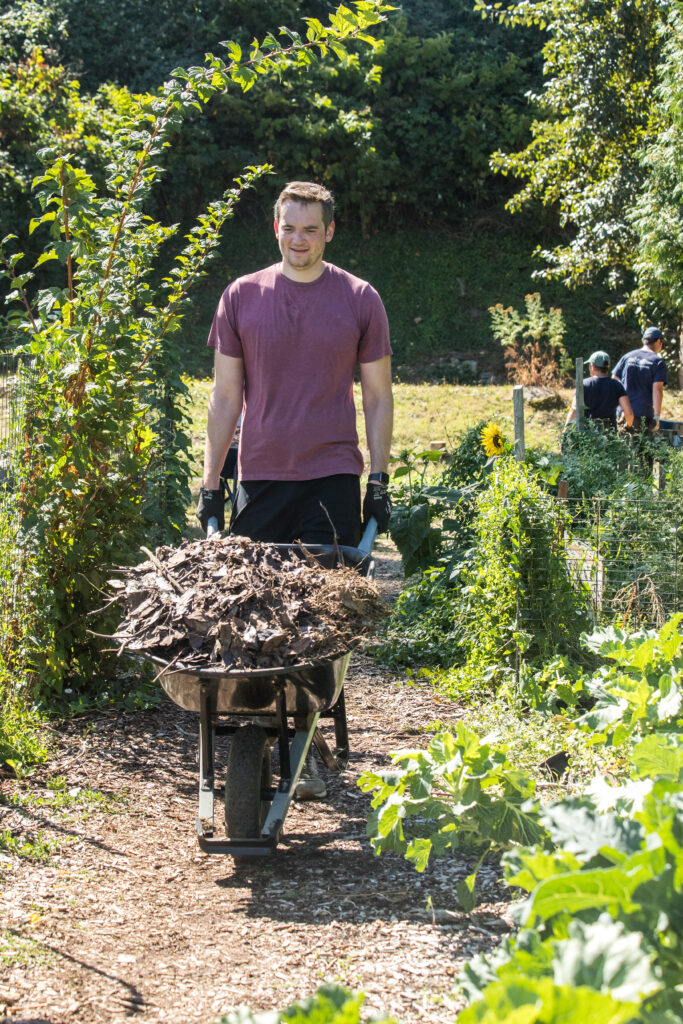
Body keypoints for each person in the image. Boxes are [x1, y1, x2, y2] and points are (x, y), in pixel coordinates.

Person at [196, 180, 394, 799]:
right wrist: (210, 483)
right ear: (274, 227)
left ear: (330, 231)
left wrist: (379, 480)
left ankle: (301, 747)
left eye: (311, 229)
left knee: (313, 616)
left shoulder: (359, 299)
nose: (298, 240)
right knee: (256, 612)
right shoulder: (241, 297)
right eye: (289, 227)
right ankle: (269, 736)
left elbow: (379, 397)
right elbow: (226, 397)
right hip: (260, 476)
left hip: (332, 476)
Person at [612, 327, 667, 432]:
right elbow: (657, 389)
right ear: (659, 341)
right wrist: (657, 416)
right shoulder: (657, 362)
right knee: (640, 446)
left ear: (644, 340)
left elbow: (614, 380)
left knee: (622, 445)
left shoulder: (627, 356)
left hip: (622, 412)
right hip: (642, 414)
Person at [564, 350, 633, 431]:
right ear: (608, 367)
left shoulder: (583, 384)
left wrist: (565, 431)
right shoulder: (617, 385)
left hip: (588, 435)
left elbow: (574, 410)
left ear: (592, 367)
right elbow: (629, 413)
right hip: (609, 436)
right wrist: (628, 426)